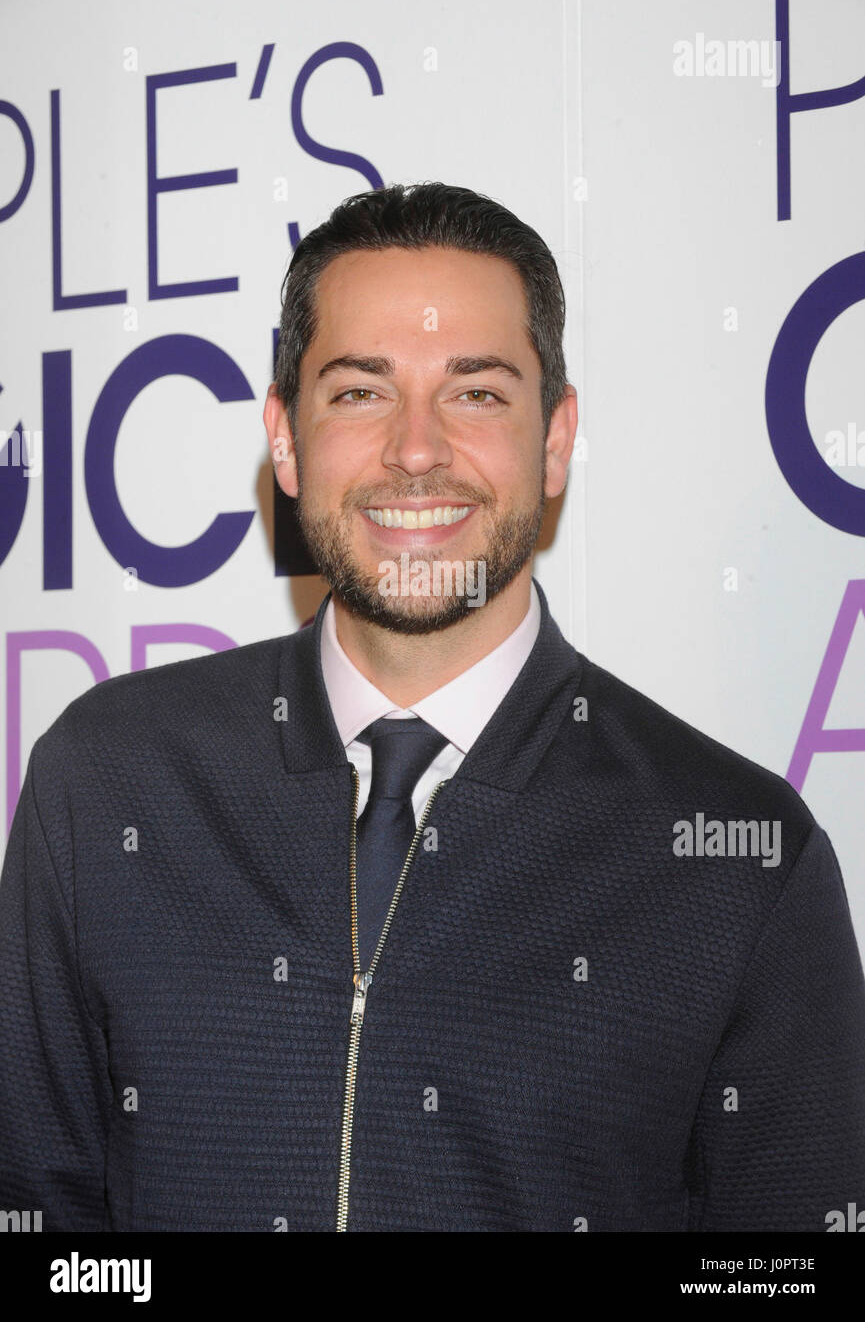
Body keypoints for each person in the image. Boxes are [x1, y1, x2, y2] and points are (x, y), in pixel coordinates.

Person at [1, 182, 863, 1233]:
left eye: (476, 393)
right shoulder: (104, 781)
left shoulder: (742, 859)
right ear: (284, 440)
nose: (416, 449)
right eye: (360, 392)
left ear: (554, 441)